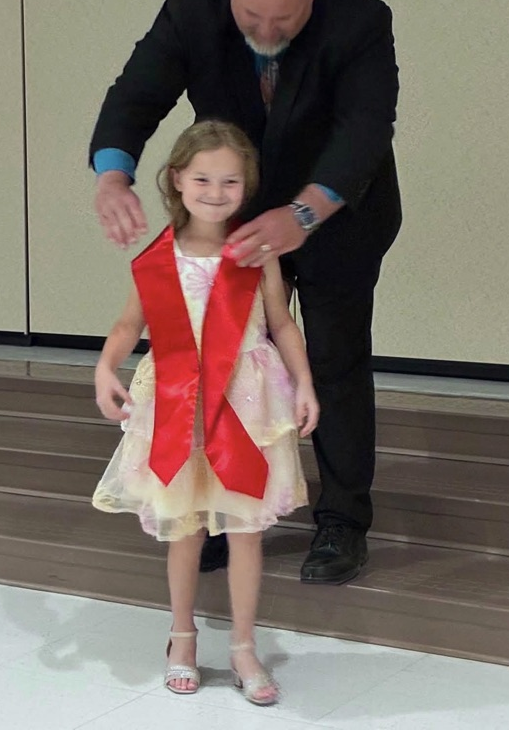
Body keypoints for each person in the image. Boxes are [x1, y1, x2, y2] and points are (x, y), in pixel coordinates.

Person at [91, 0, 401, 584]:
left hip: (336, 211)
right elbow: (137, 94)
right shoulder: (192, 9)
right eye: (250, 17)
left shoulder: (360, 19)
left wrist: (305, 213)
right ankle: (222, 509)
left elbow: (365, 131)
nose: (265, 30)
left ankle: (342, 520)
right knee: (222, 359)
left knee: (331, 356)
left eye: (283, 20)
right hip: (235, 212)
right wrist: (113, 175)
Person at [92, 119, 319, 704]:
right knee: (185, 530)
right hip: (177, 404)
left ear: (248, 187)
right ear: (176, 180)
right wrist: (103, 368)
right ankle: (182, 637)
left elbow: (280, 322)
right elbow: (128, 324)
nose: (216, 192)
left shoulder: (254, 253)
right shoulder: (155, 260)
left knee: (245, 530)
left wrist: (305, 384)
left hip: (244, 401)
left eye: (231, 182)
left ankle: (244, 645)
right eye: (202, 179)